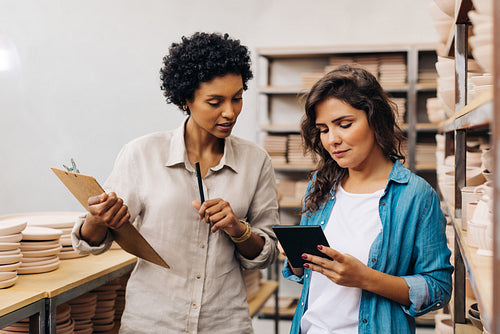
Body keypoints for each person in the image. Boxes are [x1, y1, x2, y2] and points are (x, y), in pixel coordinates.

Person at [71, 32, 280, 334]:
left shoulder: (255, 161)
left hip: (225, 323)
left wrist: (238, 229)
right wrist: (97, 219)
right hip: (153, 322)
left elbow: (267, 253)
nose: (230, 112)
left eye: (237, 98)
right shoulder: (142, 153)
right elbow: (91, 244)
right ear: (185, 98)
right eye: (215, 101)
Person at [282, 65, 453, 333]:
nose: (332, 140)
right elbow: (309, 278)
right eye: (323, 129)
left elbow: (438, 289)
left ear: (376, 120)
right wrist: (297, 259)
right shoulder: (320, 186)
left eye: (345, 124)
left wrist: (366, 278)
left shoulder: (415, 196)